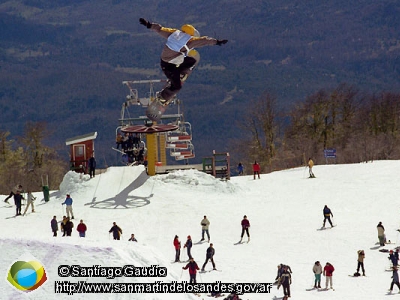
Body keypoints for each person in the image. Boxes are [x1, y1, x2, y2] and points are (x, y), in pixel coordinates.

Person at [138, 18, 228, 105]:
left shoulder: (174, 33)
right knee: (177, 86)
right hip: (168, 67)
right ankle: (162, 97)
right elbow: (204, 41)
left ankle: (179, 73)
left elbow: (160, 29)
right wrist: (217, 42)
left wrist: (148, 24)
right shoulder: (190, 41)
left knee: (191, 61)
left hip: (166, 62)